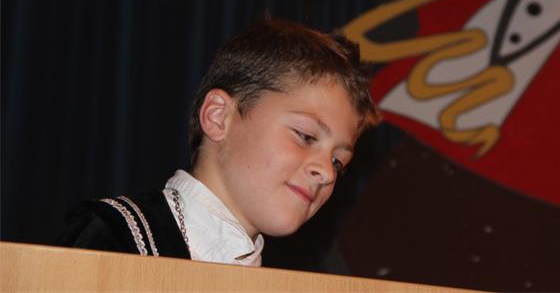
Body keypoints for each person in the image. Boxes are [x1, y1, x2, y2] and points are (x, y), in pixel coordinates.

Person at [57, 18, 380, 267]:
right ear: (218, 117)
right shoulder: (114, 239)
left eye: (338, 162)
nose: (327, 172)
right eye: (306, 136)